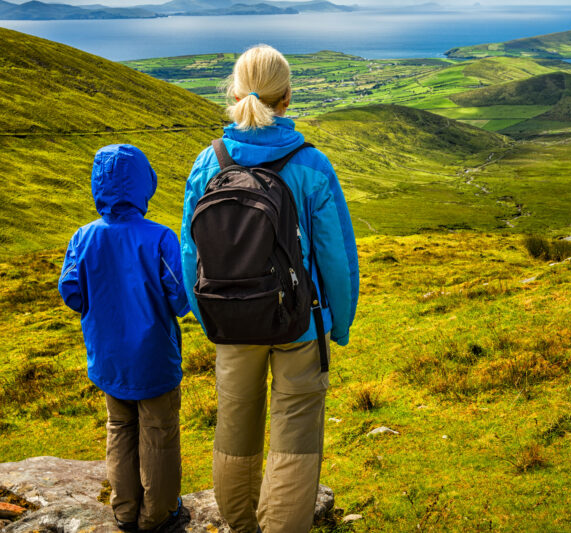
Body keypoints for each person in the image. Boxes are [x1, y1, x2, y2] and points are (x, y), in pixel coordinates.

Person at [180, 44, 359, 533]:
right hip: (300, 322)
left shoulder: (207, 163)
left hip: (230, 321)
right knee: (295, 425)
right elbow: (335, 257)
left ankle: (240, 524)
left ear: (235, 94)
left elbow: (190, 253)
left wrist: (209, 315)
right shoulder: (311, 164)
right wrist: (338, 322)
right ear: (287, 98)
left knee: (235, 425)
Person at [58, 144, 190, 532]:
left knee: (119, 428)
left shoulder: (83, 237)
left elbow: (71, 291)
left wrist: (101, 309)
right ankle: (159, 514)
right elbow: (180, 299)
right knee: (159, 433)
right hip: (154, 359)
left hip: (109, 357)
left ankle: (124, 511)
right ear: (143, 184)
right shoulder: (160, 237)